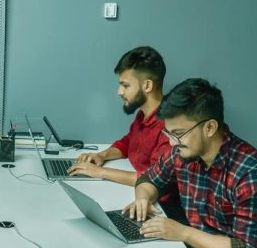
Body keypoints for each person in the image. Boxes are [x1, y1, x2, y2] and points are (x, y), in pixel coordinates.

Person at [124, 78, 257, 248]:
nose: (172, 143)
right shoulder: (182, 152)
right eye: (168, 133)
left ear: (210, 127)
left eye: (178, 134)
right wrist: (143, 198)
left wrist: (183, 233)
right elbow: (148, 179)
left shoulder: (253, 173)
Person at [68, 47, 176, 204]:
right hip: (132, 191)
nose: (119, 91)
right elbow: (128, 142)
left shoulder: (170, 126)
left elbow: (154, 177)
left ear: (147, 86)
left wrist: (101, 172)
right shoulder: (144, 114)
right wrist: (101, 156)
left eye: (125, 85)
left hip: (159, 206)